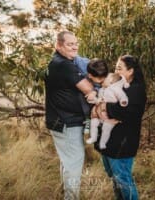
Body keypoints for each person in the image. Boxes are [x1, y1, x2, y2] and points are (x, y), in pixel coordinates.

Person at [44, 31, 94, 200]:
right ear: (58, 45)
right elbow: (88, 88)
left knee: (68, 162)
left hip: (59, 120)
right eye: (69, 44)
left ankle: (65, 194)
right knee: (74, 164)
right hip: (66, 122)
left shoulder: (57, 62)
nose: (74, 47)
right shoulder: (64, 64)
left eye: (76, 43)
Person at [94, 55, 147, 200]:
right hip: (110, 143)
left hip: (122, 144)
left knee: (123, 180)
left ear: (130, 71)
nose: (115, 71)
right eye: (115, 67)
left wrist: (104, 106)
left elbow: (123, 112)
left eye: (119, 68)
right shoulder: (117, 85)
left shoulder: (136, 90)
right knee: (116, 180)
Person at [86, 72, 130, 149]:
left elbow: (122, 96)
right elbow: (99, 99)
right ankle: (93, 137)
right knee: (94, 122)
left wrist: (123, 101)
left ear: (111, 81)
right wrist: (93, 100)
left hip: (109, 115)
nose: (103, 79)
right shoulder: (101, 90)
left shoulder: (116, 89)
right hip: (100, 112)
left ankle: (103, 143)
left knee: (106, 129)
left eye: (105, 78)